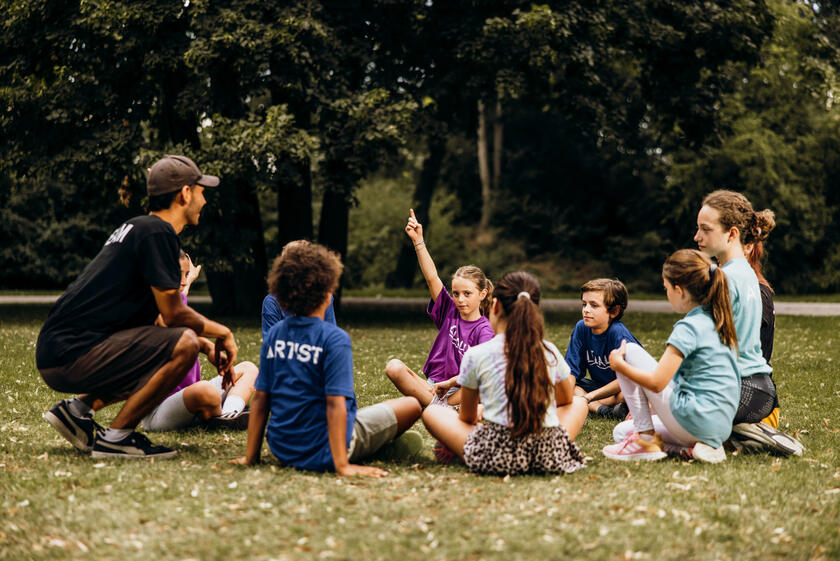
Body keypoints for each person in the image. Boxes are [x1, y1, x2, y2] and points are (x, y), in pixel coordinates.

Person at [37, 155, 238, 459]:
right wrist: (223, 332)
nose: (204, 199)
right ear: (185, 193)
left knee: (178, 344)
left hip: (61, 350)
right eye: (201, 190)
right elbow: (174, 314)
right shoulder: (158, 233)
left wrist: (205, 346)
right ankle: (117, 438)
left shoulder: (138, 228)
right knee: (181, 344)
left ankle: (76, 411)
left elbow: (158, 325)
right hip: (73, 353)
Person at [232, 241, 423, 476]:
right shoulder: (334, 339)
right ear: (327, 291)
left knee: (365, 416)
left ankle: (374, 444)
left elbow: (260, 398)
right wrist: (342, 466)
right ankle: (372, 449)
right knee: (412, 404)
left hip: (281, 447)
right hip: (323, 451)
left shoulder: (275, 336)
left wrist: (251, 457)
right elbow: (335, 404)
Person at [421, 271, 588, 475]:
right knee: (579, 402)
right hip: (548, 455)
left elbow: (466, 417)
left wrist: (483, 415)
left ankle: (460, 449)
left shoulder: (477, 354)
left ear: (496, 306)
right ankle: (544, 450)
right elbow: (564, 400)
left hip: (496, 456)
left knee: (432, 412)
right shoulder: (548, 350)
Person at [603, 249, 740, 463]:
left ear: (679, 290)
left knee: (628, 351)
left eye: (666, 288)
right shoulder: (719, 319)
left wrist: (619, 366)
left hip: (694, 420)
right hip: (719, 427)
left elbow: (657, 383)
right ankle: (690, 449)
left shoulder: (688, 327)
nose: (666, 294)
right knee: (621, 432)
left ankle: (645, 440)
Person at [694, 190, 801, 455]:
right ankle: (742, 433)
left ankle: (721, 437)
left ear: (732, 234)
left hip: (736, 391)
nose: (697, 237)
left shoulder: (723, 279)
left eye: (705, 229)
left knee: (646, 424)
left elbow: (711, 352)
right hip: (760, 390)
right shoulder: (748, 275)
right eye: (698, 229)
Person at [385, 209, 495, 409]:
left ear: (483, 294)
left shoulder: (485, 330)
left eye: (467, 294)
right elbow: (432, 277)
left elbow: (480, 375)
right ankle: (439, 406)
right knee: (394, 367)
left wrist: (453, 387)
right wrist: (418, 241)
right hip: (433, 386)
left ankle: (442, 406)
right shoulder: (450, 311)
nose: (460, 299)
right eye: (456, 293)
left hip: (462, 391)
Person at [140, 251, 258, 432]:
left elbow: (182, 293)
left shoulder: (178, 298)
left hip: (190, 396)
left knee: (249, 369)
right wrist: (215, 339)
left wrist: (190, 277)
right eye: (177, 274)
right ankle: (218, 414)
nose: (183, 281)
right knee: (204, 391)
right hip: (158, 411)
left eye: (185, 275)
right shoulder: (151, 308)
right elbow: (173, 325)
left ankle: (227, 416)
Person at [565, 278, 640, 420]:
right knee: (567, 387)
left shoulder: (618, 333)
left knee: (628, 393)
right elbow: (571, 373)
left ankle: (590, 404)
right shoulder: (581, 328)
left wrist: (589, 397)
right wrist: (564, 400)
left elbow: (631, 377)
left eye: (594, 305)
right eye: (584, 304)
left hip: (623, 387)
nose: (586, 310)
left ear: (614, 311)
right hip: (598, 387)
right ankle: (604, 410)